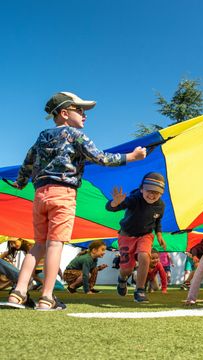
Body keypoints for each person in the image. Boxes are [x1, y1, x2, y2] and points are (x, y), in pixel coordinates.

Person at [3, 91, 147, 310]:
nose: (84, 115)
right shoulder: (76, 136)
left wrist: (21, 183)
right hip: (63, 195)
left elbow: (27, 163)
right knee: (55, 244)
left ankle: (18, 293)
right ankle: (47, 297)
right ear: (64, 113)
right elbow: (101, 158)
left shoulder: (42, 137)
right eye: (79, 110)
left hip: (40, 195)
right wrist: (132, 157)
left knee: (38, 245)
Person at [106, 171, 167, 303]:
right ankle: (122, 279)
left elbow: (157, 221)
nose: (152, 195)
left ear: (161, 194)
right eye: (149, 191)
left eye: (156, 192)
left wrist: (159, 235)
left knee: (145, 256)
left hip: (145, 235)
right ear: (141, 189)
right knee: (127, 268)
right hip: (126, 235)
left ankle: (140, 290)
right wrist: (115, 203)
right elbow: (114, 207)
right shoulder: (134, 199)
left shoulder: (160, 205)